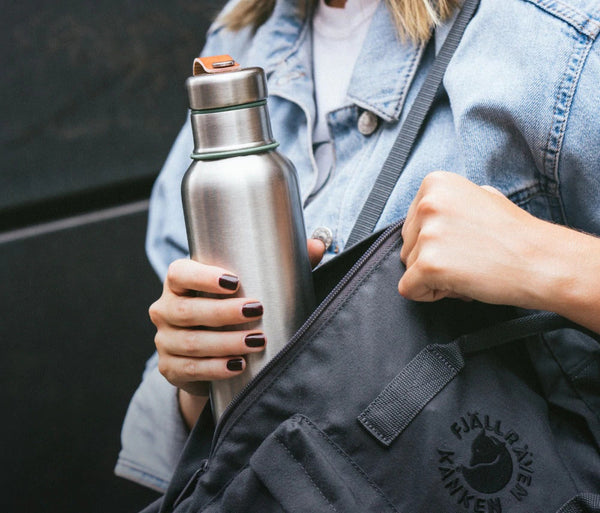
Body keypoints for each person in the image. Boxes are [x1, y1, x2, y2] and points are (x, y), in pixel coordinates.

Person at [115, 0, 600, 493]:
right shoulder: (240, 37)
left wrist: (545, 260)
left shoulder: (561, 30)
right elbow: (189, 455)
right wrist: (202, 379)